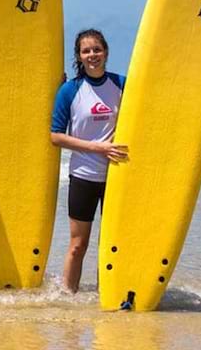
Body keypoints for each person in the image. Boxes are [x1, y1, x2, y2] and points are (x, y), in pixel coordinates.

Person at [50, 29, 128, 292]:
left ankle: (107, 294)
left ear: (105, 51)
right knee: (78, 244)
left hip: (118, 175)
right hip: (83, 175)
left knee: (111, 243)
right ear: (79, 56)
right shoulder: (70, 91)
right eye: (86, 51)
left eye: (97, 49)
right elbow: (56, 137)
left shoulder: (121, 84)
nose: (92, 55)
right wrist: (96, 147)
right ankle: (67, 295)